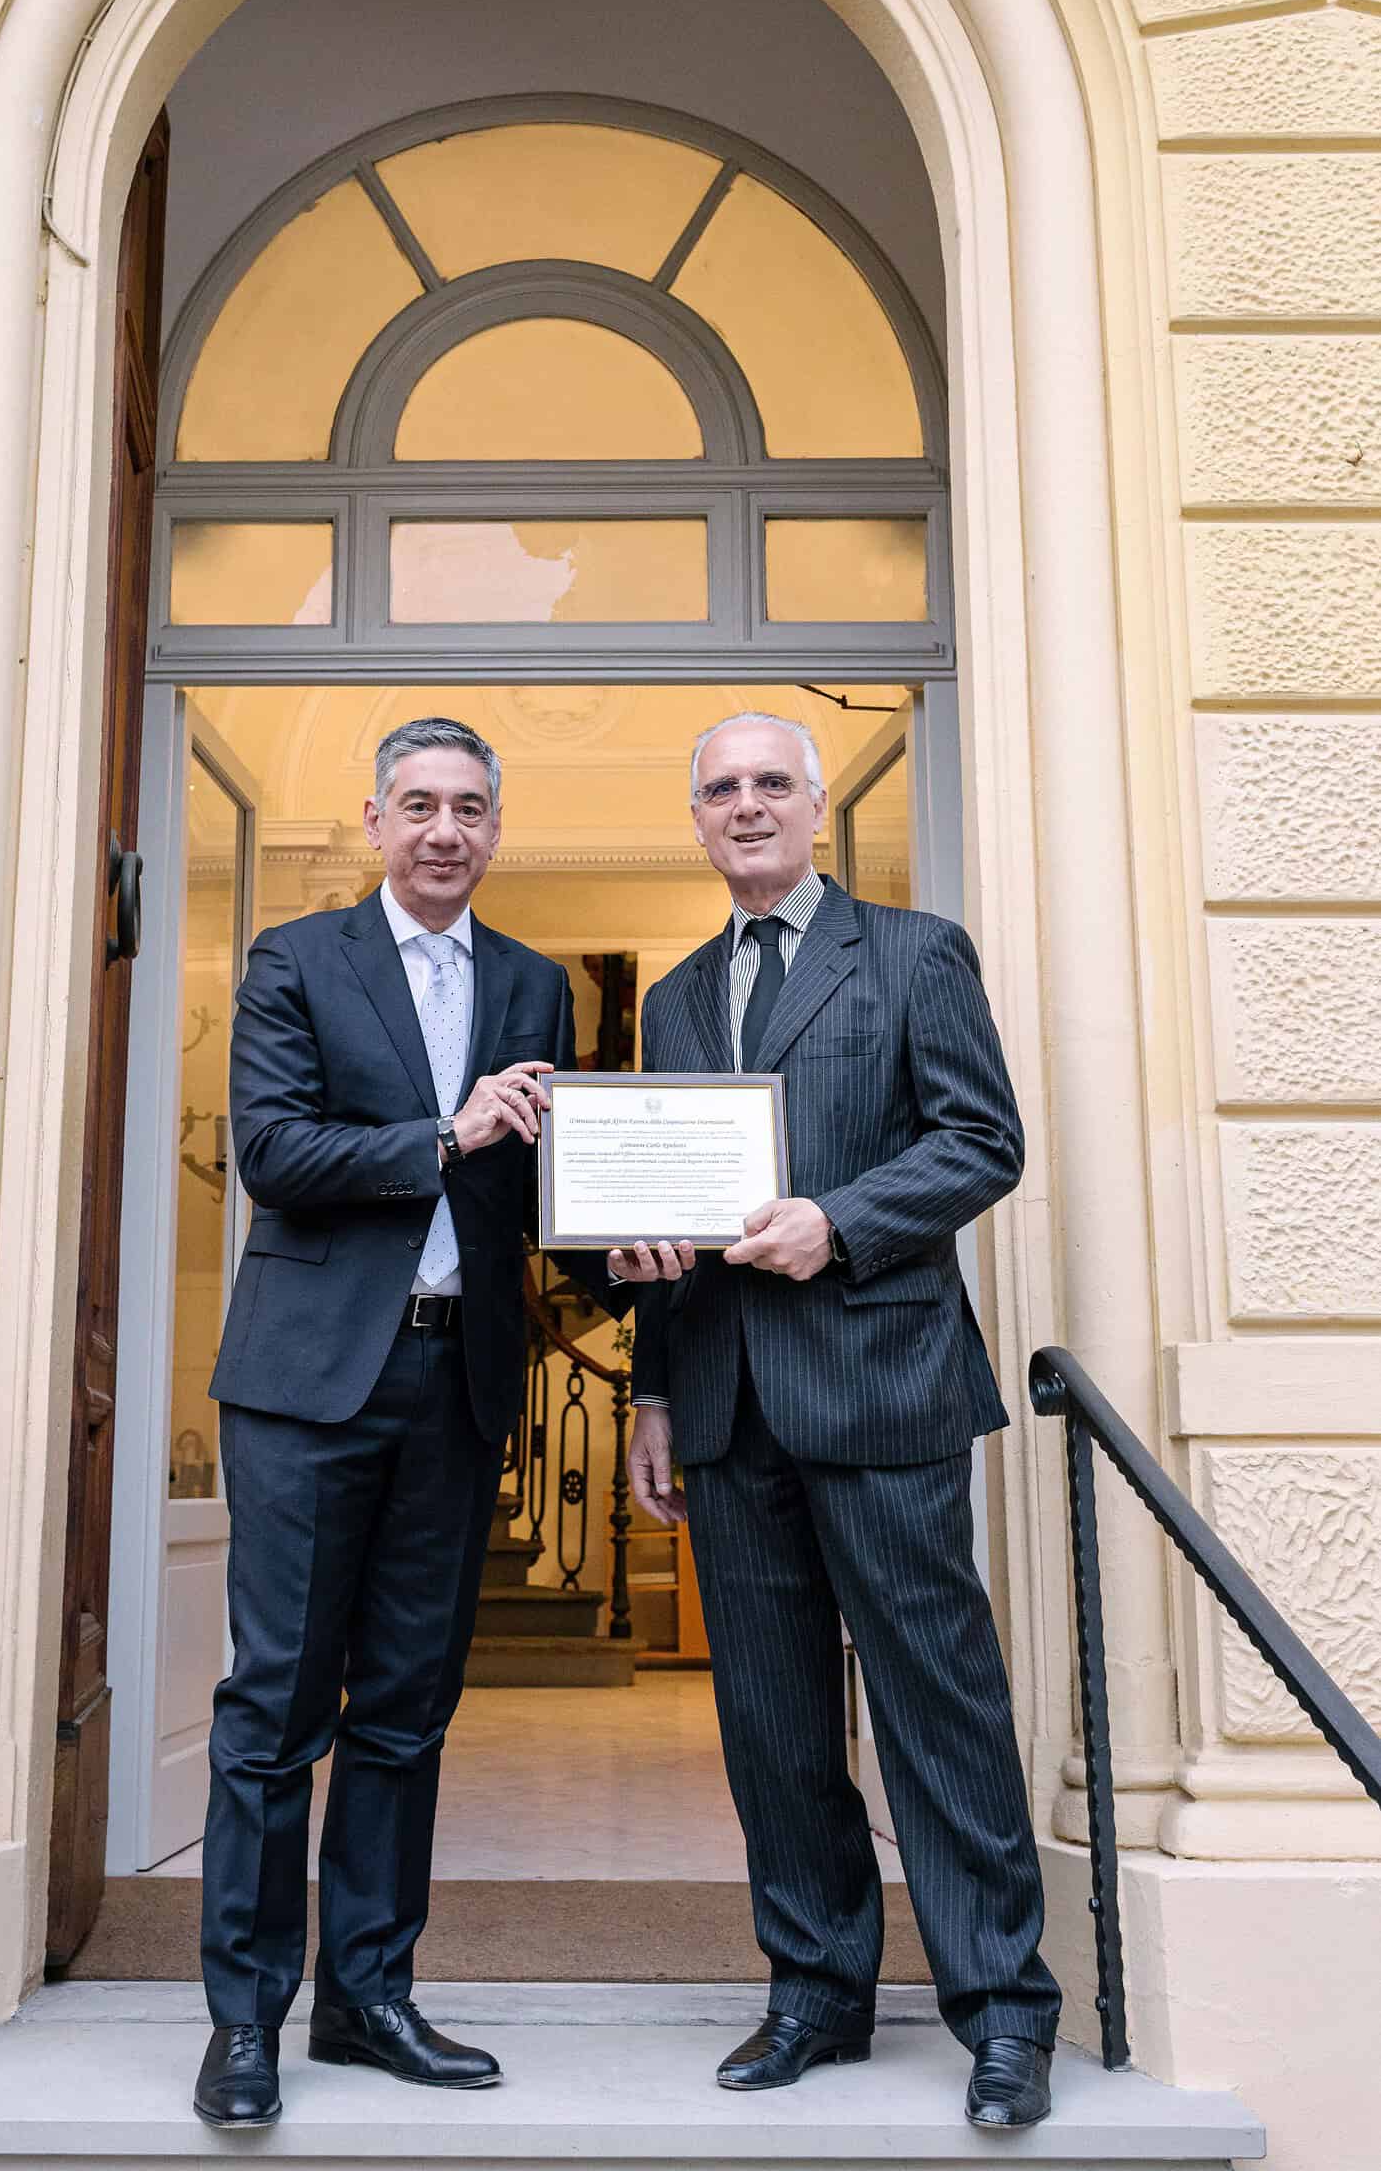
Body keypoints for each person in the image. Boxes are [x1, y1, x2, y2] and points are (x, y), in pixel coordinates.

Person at [194, 714, 680, 2130]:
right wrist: (447, 1134)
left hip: (456, 1382)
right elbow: (275, 1154)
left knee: (406, 1712)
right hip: (306, 1384)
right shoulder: (295, 960)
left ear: (496, 828)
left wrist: (622, 1245)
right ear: (374, 822)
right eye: (418, 805)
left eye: (469, 808)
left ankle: (368, 2000)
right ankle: (244, 2021)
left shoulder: (531, 983)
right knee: (275, 1709)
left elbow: (532, 1186)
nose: (443, 831)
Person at [613, 711, 1059, 2132]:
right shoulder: (675, 997)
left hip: (881, 1384)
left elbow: (981, 1140)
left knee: (937, 1704)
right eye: (719, 789)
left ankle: (1003, 2011)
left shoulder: (915, 954)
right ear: (697, 819)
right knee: (772, 1722)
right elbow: (670, 1206)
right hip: (728, 1405)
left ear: (814, 807)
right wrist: (653, 1383)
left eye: (770, 784)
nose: (745, 806)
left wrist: (840, 1222)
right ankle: (816, 1992)